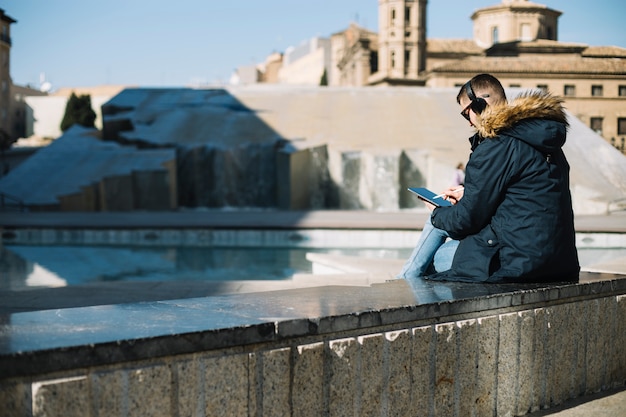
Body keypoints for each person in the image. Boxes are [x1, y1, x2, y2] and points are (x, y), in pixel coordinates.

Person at [398, 73, 579, 283]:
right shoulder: (546, 143)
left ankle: (401, 290)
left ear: (480, 106)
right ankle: (403, 283)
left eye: (466, 114)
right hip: (558, 261)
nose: (469, 123)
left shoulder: (495, 146)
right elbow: (525, 194)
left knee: (433, 248)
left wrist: (437, 211)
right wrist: (469, 194)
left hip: (514, 263)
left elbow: (466, 221)